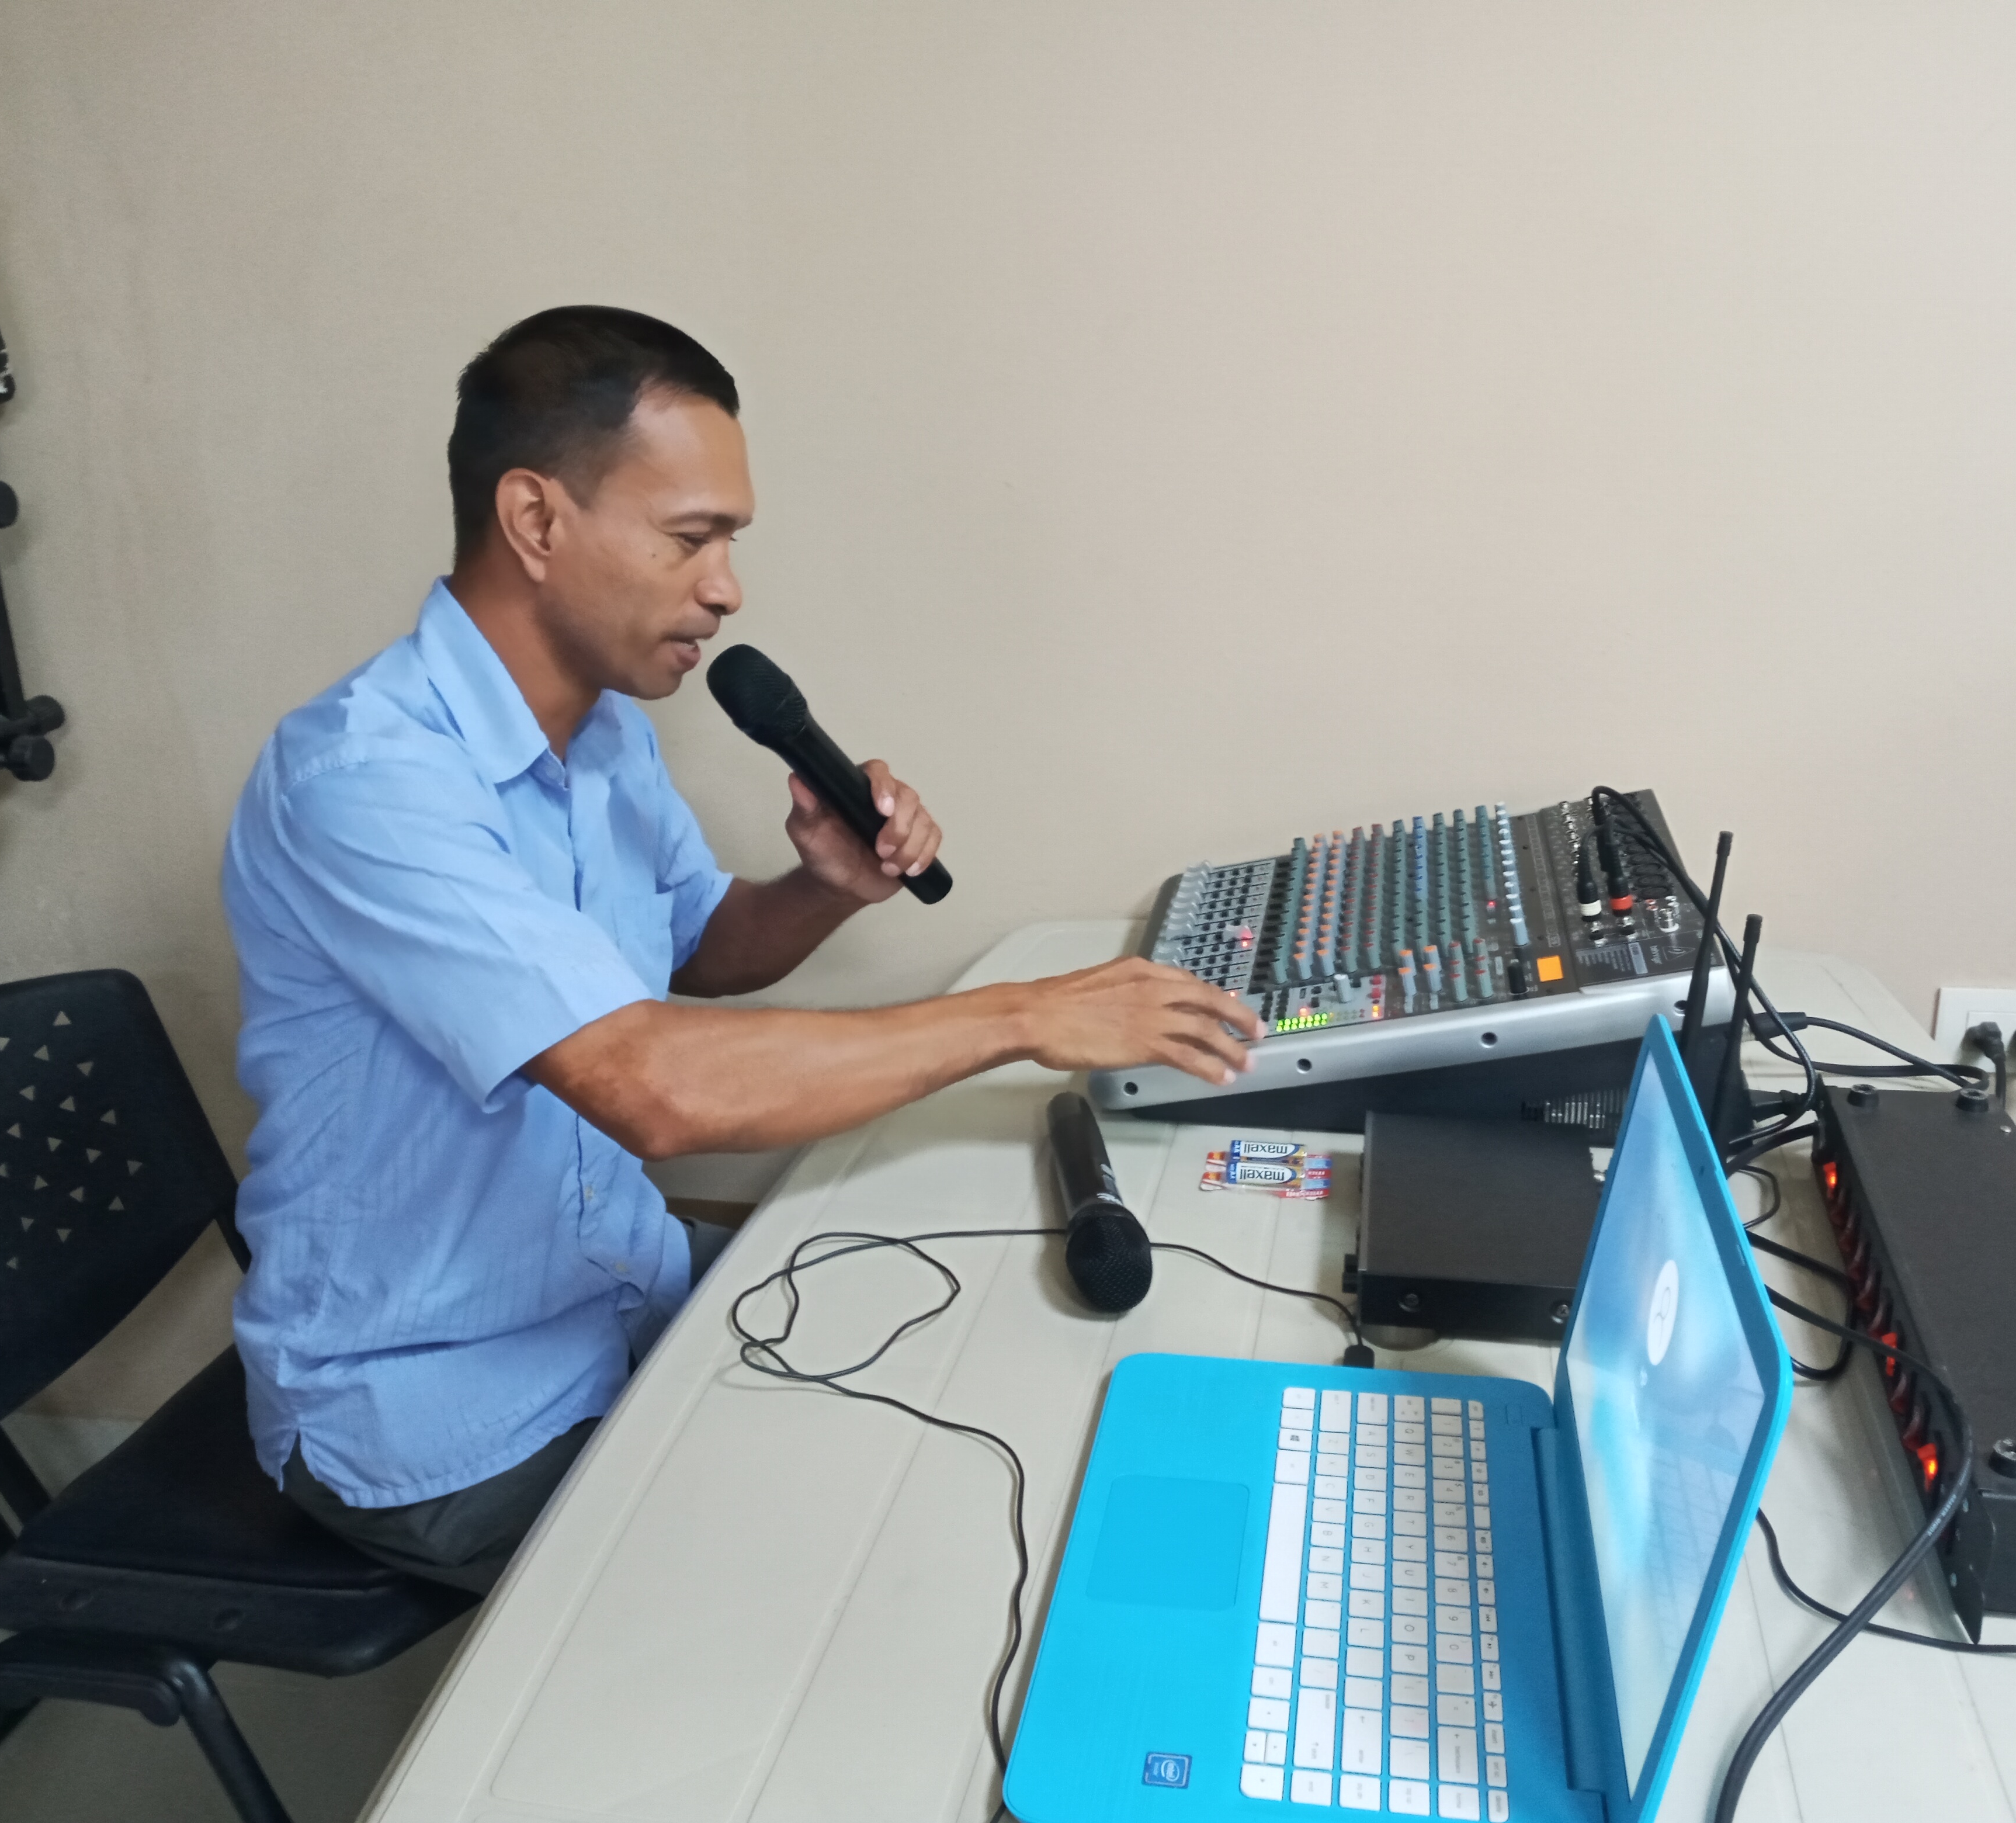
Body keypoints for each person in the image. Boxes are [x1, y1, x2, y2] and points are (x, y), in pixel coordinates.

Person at [221, 306, 1260, 1590]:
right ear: (536, 520)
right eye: (689, 538)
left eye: (730, 543)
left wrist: (822, 889)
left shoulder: (603, 734)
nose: (726, 588)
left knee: (984, 1368)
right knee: (870, 1564)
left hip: (621, 1296)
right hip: (442, 1407)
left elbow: (694, 949)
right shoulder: (365, 781)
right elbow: (649, 1086)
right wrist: (1018, 1015)